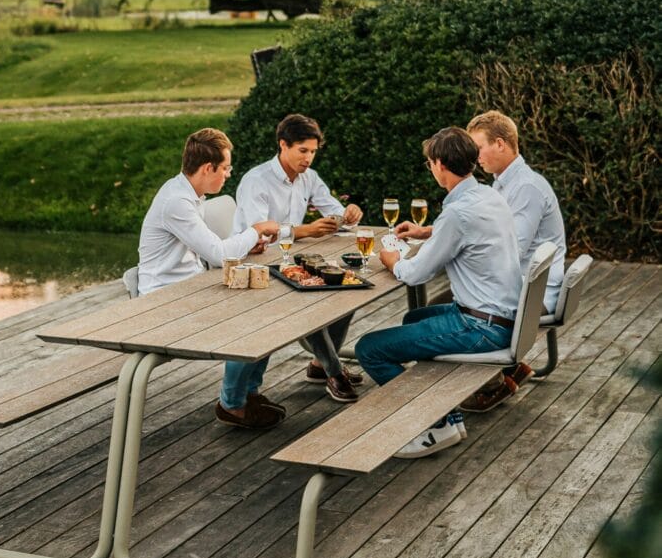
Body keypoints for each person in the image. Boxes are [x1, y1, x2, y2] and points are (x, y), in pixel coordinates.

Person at [355, 127, 523, 458]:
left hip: (481, 329)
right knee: (414, 318)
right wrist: (429, 231)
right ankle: (448, 415)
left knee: (369, 349)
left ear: (440, 164)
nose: (431, 169)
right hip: (502, 318)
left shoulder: (457, 214)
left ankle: (433, 425)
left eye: (430, 163)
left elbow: (415, 274)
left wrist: (391, 259)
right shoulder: (489, 196)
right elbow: (467, 232)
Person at [138, 127, 283, 429]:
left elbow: (206, 251)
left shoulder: (190, 194)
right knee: (253, 318)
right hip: (163, 301)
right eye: (226, 168)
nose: (229, 174)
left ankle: (247, 392)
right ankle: (233, 405)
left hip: (190, 288)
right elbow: (218, 254)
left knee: (269, 308)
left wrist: (245, 247)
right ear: (208, 168)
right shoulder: (176, 201)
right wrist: (255, 230)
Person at [233, 113, 365, 403]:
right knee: (310, 295)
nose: (308, 159)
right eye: (302, 151)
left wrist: (348, 214)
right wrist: (306, 230)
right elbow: (260, 235)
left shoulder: (309, 177)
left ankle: (322, 365)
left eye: (313, 152)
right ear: (283, 145)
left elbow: (334, 212)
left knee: (348, 286)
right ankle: (333, 371)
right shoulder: (256, 181)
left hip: (290, 260)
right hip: (255, 266)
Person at [457, 110, 568, 412]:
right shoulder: (505, 183)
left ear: (501, 144)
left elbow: (511, 249)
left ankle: (493, 382)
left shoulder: (525, 188)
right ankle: (510, 369)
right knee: (454, 300)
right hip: (525, 284)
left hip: (536, 292)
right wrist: (431, 231)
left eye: (477, 147)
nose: (473, 156)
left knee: (462, 309)